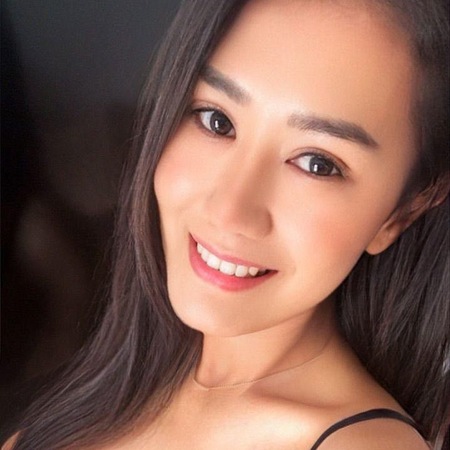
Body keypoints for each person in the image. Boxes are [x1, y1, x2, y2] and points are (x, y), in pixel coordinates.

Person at [5, 0, 449, 448]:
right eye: (216, 121)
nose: (229, 211)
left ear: (402, 212)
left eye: (317, 163)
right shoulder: (98, 399)